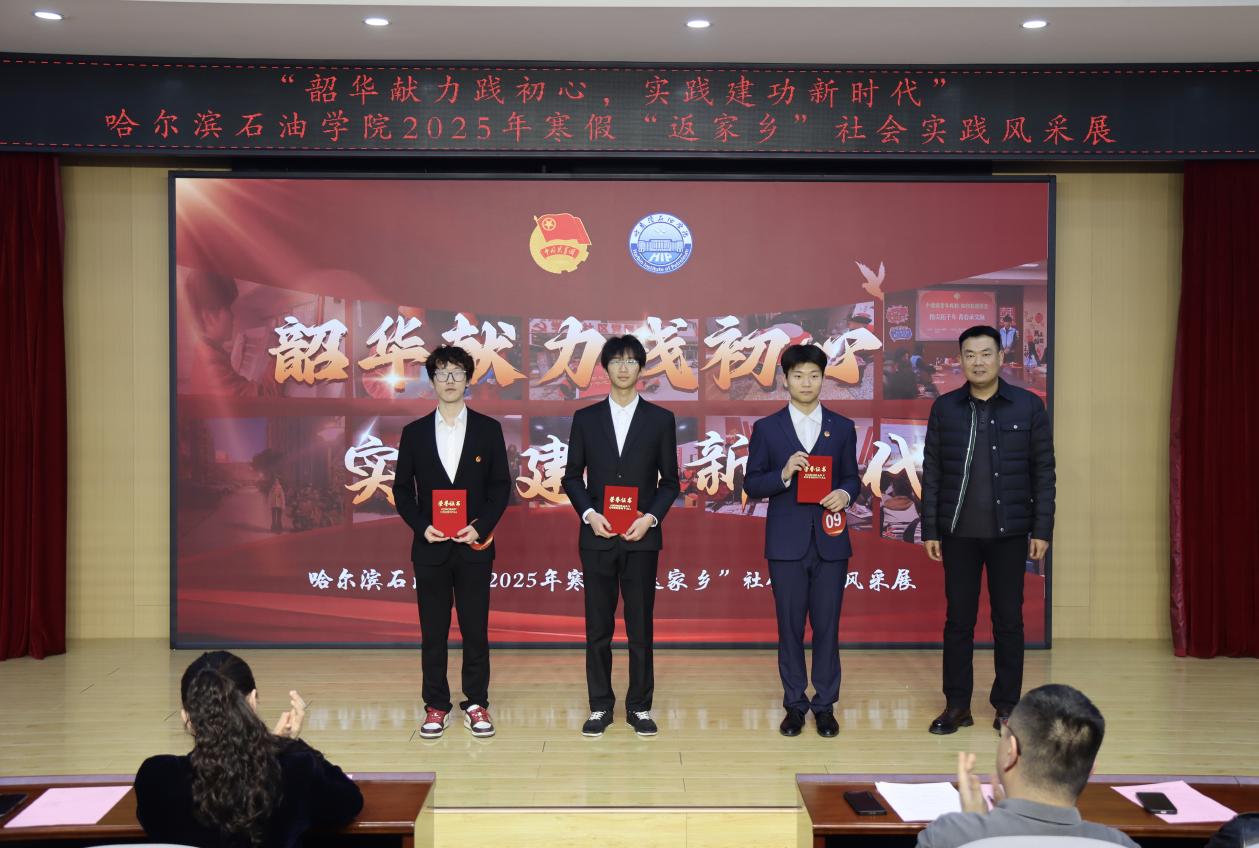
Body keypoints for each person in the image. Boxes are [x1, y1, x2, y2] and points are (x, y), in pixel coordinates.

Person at [922, 325, 1056, 735]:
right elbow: (932, 471)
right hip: (958, 533)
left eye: (985, 354)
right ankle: (956, 705)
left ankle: (1007, 707)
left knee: (1008, 621)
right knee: (958, 621)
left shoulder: (1028, 406)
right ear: (960, 360)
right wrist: (930, 528)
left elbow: (1044, 471)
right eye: (969, 355)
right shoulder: (945, 408)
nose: (977, 362)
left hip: (1010, 533)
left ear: (1001, 357)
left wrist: (1042, 528)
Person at [562, 335, 680, 737]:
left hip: (641, 537)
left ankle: (639, 707)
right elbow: (572, 477)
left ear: (641, 368)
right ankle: (600, 706)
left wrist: (650, 518)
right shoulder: (586, 418)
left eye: (631, 361)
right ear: (605, 368)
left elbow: (670, 482)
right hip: (597, 536)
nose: (624, 368)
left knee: (640, 627)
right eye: (616, 361)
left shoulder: (660, 419)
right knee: (597, 627)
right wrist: (590, 514)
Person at [394, 344, 511, 739]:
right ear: (431, 380)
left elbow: (500, 487)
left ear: (467, 380)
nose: (449, 380)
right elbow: (401, 490)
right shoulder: (413, 433)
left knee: (475, 630)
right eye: (442, 373)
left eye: (457, 373)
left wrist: (480, 527)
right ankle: (436, 705)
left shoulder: (488, 430)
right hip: (430, 548)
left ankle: (476, 703)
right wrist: (420, 525)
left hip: (474, 547)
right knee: (433, 631)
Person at [745, 344, 860, 738]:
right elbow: (752, 483)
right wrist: (783, 473)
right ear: (785, 380)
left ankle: (825, 706)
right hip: (786, 544)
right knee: (789, 627)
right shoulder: (767, 429)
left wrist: (844, 494)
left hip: (831, 540)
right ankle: (794, 705)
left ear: (823, 379)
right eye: (798, 376)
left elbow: (852, 477)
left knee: (827, 627)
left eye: (814, 375)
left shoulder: (842, 427)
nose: (806, 383)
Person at [135, 651, 362, 848]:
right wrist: (284, 744)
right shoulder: (296, 768)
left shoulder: (155, 778)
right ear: (252, 701)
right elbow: (349, 802)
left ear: (187, 717)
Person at [916, 684, 1137, 848]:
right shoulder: (1120, 844)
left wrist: (975, 828)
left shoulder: (946, 837)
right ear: (1091, 770)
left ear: (1011, 752)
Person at [185, 269, 280, 397]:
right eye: (228, 309)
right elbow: (264, 397)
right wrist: (280, 357)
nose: (233, 317)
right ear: (209, 317)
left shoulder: (208, 352)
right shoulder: (212, 366)